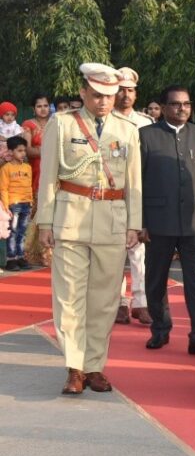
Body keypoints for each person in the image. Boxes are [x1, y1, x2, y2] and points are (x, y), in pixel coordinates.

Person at [36, 62, 143, 395]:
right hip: (70, 219)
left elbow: (134, 181)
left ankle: (95, 366)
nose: (104, 101)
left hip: (112, 220)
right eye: (97, 95)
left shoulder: (127, 129)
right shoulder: (62, 124)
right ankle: (75, 367)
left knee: (105, 299)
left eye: (109, 96)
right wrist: (44, 222)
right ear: (83, 92)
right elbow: (48, 176)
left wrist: (134, 224)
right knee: (69, 298)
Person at [139, 84, 195, 354]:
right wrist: (140, 222)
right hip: (158, 221)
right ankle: (160, 330)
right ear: (163, 108)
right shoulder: (146, 136)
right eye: (175, 104)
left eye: (186, 104)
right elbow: (137, 182)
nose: (182, 108)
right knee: (156, 280)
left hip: (194, 222)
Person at [112, 67, 155, 325]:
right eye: (121, 90)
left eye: (130, 90)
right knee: (116, 251)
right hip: (113, 193)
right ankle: (119, 302)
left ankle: (141, 302)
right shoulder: (104, 121)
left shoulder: (146, 123)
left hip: (140, 192)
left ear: (136, 94)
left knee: (139, 251)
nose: (125, 95)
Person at [20, 94, 52, 267]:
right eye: (39, 106)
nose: (43, 109)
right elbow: (28, 150)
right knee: (35, 213)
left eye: (46, 105)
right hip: (36, 171)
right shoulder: (28, 125)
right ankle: (31, 253)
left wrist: (43, 150)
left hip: (53, 172)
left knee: (50, 212)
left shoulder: (55, 122)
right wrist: (49, 151)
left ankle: (48, 254)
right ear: (34, 109)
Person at [1, 136, 33, 270]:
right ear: (10, 151)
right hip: (13, 205)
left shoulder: (27, 167)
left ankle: (20, 257)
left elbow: (29, 185)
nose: (23, 153)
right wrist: (6, 206)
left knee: (22, 232)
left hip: (26, 204)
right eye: (19, 151)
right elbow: (3, 188)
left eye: (24, 150)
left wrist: (31, 201)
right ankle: (11, 259)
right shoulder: (6, 168)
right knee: (13, 232)